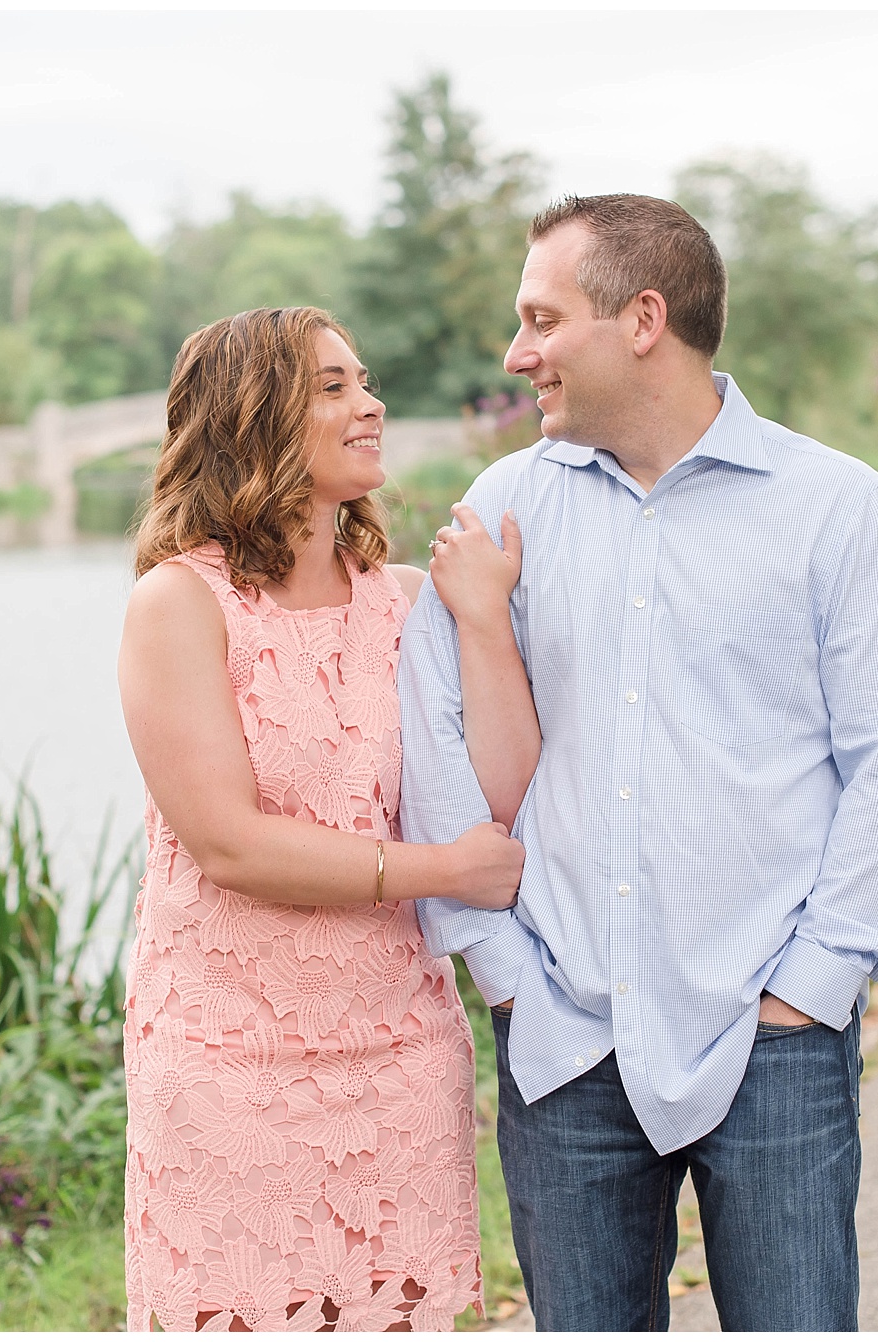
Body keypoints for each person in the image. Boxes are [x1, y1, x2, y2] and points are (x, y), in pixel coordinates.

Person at [402, 194, 878, 1332]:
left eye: (541, 320)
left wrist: (813, 983)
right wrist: (503, 970)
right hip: (563, 1035)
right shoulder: (498, 511)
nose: (517, 355)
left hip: (770, 1035)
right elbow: (434, 745)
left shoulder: (838, 510)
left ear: (641, 317)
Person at [116, 306, 527, 1332]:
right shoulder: (179, 605)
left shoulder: (401, 600)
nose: (370, 404)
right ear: (252, 419)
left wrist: (480, 618)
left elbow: (501, 794)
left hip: (398, 1050)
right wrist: (442, 870)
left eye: (364, 378)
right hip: (229, 1064)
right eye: (333, 387)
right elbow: (228, 842)